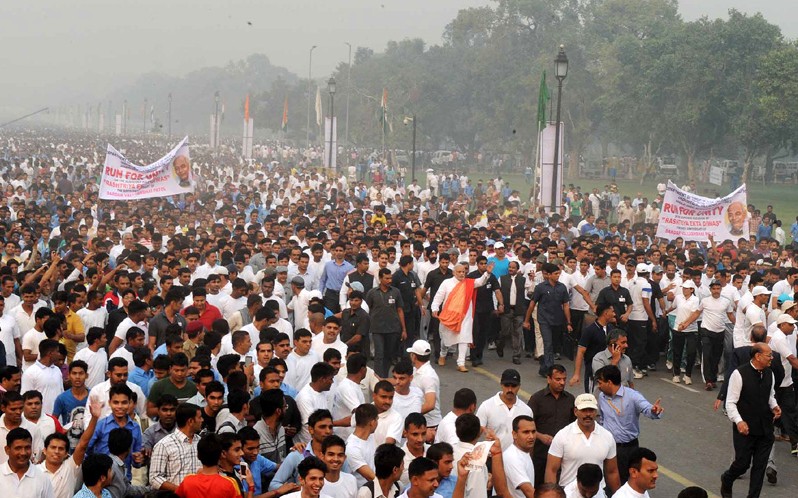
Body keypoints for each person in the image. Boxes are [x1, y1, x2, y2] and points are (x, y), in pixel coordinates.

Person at [720, 343, 781, 498]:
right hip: (745, 429)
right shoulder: (739, 374)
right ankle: (727, 479)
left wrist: (774, 406)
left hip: (765, 429)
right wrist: (739, 421)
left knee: (759, 467)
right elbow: (730, 402)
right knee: (742, 464)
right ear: (758, 356)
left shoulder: (770, 374)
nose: (772, 358)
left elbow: (770, 395)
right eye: (769, 355)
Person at [593, 365, 662, 484]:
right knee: (609, 481)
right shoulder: (602, 396)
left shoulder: (632, 396)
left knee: (629, 482)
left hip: (628, 448)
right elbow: (602, 418)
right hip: (608, 446)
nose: (599, 386)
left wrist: (654, 410)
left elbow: (647, 408)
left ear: (609, 382)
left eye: (600, 382)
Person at [545, 394, 620, 494]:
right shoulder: (562, 435)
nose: (588, 414)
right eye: (584, 410)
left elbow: (612, 472)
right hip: (569, 493)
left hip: (597, 493)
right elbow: (551, 470)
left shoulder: (607, 436)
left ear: (596, 412)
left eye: (591, 410)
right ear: (575, 412)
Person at [431, 262, 496, 372]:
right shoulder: (447, 283)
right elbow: (438, 297)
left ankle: (461, 363)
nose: (462, 274)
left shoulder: (469, 283)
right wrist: (435, 308)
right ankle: (442, 354)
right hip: (450, 315)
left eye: (463, 272)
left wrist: (487, 273)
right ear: (453, 272)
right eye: (459, 272)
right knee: (446, 339)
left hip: (465, 316)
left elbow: (480, 282)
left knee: (464, 338)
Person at [39, 400, 100, 498]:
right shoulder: (35, 471)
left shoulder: (70, 467)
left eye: (61, 448)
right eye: (53, 447)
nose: (56, 451)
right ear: (45, 450)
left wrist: (94, 418)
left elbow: (82, 445)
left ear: (66, 453)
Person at [527, 365, 575, 487]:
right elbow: (526, 425)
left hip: (563, 456)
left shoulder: (570, 399)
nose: (562, 382)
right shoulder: (537, 399)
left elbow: (574, 425)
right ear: (549, 379)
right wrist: (540, 436)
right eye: (558, 379)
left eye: (564, 379)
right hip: (541, 455)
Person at [525, 263, 572, 376]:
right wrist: (526, 320)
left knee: (554, 344)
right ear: (549, 275)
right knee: (548, 343)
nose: (557, 276)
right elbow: (532, 304)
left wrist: (569, 322)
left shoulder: (562, 287)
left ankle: (543, 367)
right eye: (555, 274)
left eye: (558, 274)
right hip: (544, 320)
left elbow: (565, 305)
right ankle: (550, 369)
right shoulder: (540, 287)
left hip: (557, 321)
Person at [475, 368, 533, 451]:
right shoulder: (486, 406)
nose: (510, 389)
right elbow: (475, 433)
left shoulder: (527, 411)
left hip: (517, 460)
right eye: (506, 385)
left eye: (513, 386)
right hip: (493, 458)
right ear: (501, 385)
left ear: (519, 386)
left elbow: (530, 439)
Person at [149, 403, 202, 491]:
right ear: (190, 421)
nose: (202, 420)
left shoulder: (201, 442)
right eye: (199, 417)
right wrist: (180, 490)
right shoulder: (164, 445)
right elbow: (155, 478)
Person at [175, 433, 244, 498]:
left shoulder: (187, 481)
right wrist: (251, 487)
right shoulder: (230, 483)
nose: (242, 453)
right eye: (237, 450)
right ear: (221, 454)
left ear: (198, 456)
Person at [366, 269, 407, 377]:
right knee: (379, 354)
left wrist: (403, 329)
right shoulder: (372, 293)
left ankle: (384, 376)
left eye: (390, 278)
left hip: (393, 328)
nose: (389, 280)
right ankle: (378, 378)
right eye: (387, 278)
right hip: (377, 329)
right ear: (380, 279)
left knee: (389, 355)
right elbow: (367, 309)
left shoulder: (396, 292)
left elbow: (400, 310)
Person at [570, 304, 616, 393]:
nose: (614, 314)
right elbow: (580, 352)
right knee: (592, 400)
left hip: (609, 372)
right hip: (593, 373)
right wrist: (576, 374)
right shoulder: (589, 330)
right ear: (606, 313)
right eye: (612, 312)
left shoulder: (611, 329)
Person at [0, 428, 54, 498]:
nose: (23, 453)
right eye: (18, 448)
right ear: (7, 450)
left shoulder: (43, 479)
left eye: (27, 447)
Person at [407, 341, 441, 440]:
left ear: (413, 356)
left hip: (429, 426)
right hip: (424, 424)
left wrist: (409, 415)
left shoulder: (428, 376)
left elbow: (430, 404)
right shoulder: (416, 370)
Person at [499, 262, 528, 364]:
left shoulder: (523, 280)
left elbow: (530, 290)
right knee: (505, 331)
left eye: (513, 267)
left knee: (517, 333)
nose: (511, 269)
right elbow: (497, 293)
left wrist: (532, 280)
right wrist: (499, 305)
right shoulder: (502, 279)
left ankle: (516, 355)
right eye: (509, 267)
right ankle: (500, 344)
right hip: (506, 309)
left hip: (518, 309)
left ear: (517, 269)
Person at [502, 415, 537, 498]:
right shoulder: (512, 457)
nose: (531, 436)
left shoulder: (523, 452)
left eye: (533, 431)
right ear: (514, 434)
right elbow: (528, 490)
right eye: (526, 432)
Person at [346, 404, 379, 488]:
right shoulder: (352, 448)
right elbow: (370, 477)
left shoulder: (371, 437)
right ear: (372, 422)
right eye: (377, 419)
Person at [372, 380, 403, 446]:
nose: (388, 401)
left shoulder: (396, 418)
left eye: (391, 398)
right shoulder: (364, 410)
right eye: (384, 397)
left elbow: (389, 444)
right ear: (374, 396)